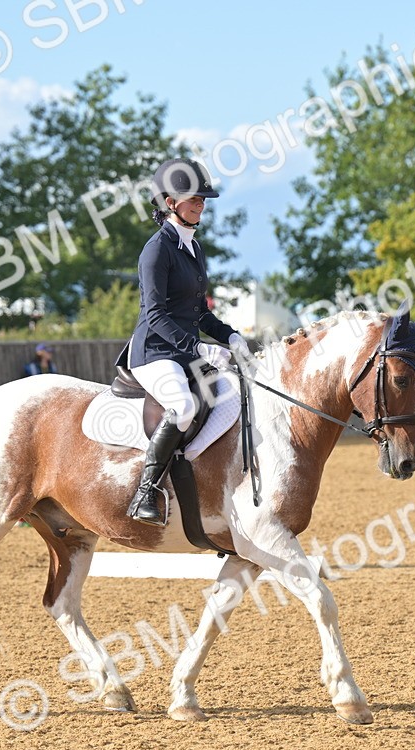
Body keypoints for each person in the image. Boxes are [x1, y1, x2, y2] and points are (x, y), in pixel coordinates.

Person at [125, 158, 247, 526]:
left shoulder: (194, 248)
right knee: (183, 406)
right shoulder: (157, 250)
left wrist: (230, 335)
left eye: (203, 199)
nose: (202, 204)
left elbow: (199, 313)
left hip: (182, 351)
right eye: (194, 198)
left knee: (231, 396)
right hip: (154, 353)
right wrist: (199, 349)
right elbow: (156, 316)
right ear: (169, 202)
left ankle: (189, 468)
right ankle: (145, 491)